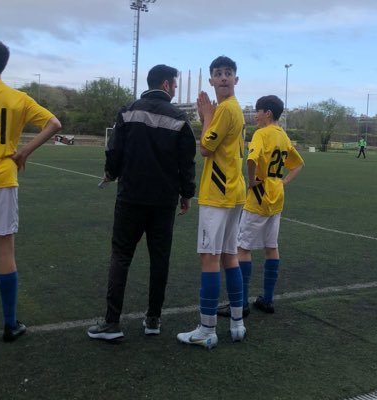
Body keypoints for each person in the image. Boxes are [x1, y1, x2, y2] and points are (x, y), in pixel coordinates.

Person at [88, 64, 196, 341]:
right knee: (159, 259)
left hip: (131, 197)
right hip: (163, 200)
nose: (174, 88)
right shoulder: (179, 118)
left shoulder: (127, 110)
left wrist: (111, 173)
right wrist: (186, 194)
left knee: (121, 256)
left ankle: (112, 323)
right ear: (165, 84)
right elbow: (186, 162)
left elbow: (114, 150)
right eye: (173, 84)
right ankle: (153, 319)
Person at [0, 40, 62, 342]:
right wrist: (24, 152)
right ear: (4, 65)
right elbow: (54, 123)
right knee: (4, 251)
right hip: (3, 178)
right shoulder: (18, 97)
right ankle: (10, 324)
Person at [177, 56, 246, 349]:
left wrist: (206, 115)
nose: (223, 78)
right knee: (229, 256)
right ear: (211, 80)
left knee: (209, 257)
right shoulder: (234, 108)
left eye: (228, 73)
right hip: (234, 191)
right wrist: (210, 114)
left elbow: (205, 148)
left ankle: (207, 329)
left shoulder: (225, 110)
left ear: (236, 80)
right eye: (218, 74)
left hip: (218, 193)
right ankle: (237, 323)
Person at [235, 95, 304, 315]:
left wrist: (252, 179)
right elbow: (298, 164)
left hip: (259, 195)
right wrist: (283, 181)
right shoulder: (283, 136)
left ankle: (242, 302)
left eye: (258, 110)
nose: (255, 114)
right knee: (271, 247)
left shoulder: (261, 134)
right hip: (277, 195)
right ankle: (268, 299)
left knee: (243, 248)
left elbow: (251, 159)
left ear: (268, 113)